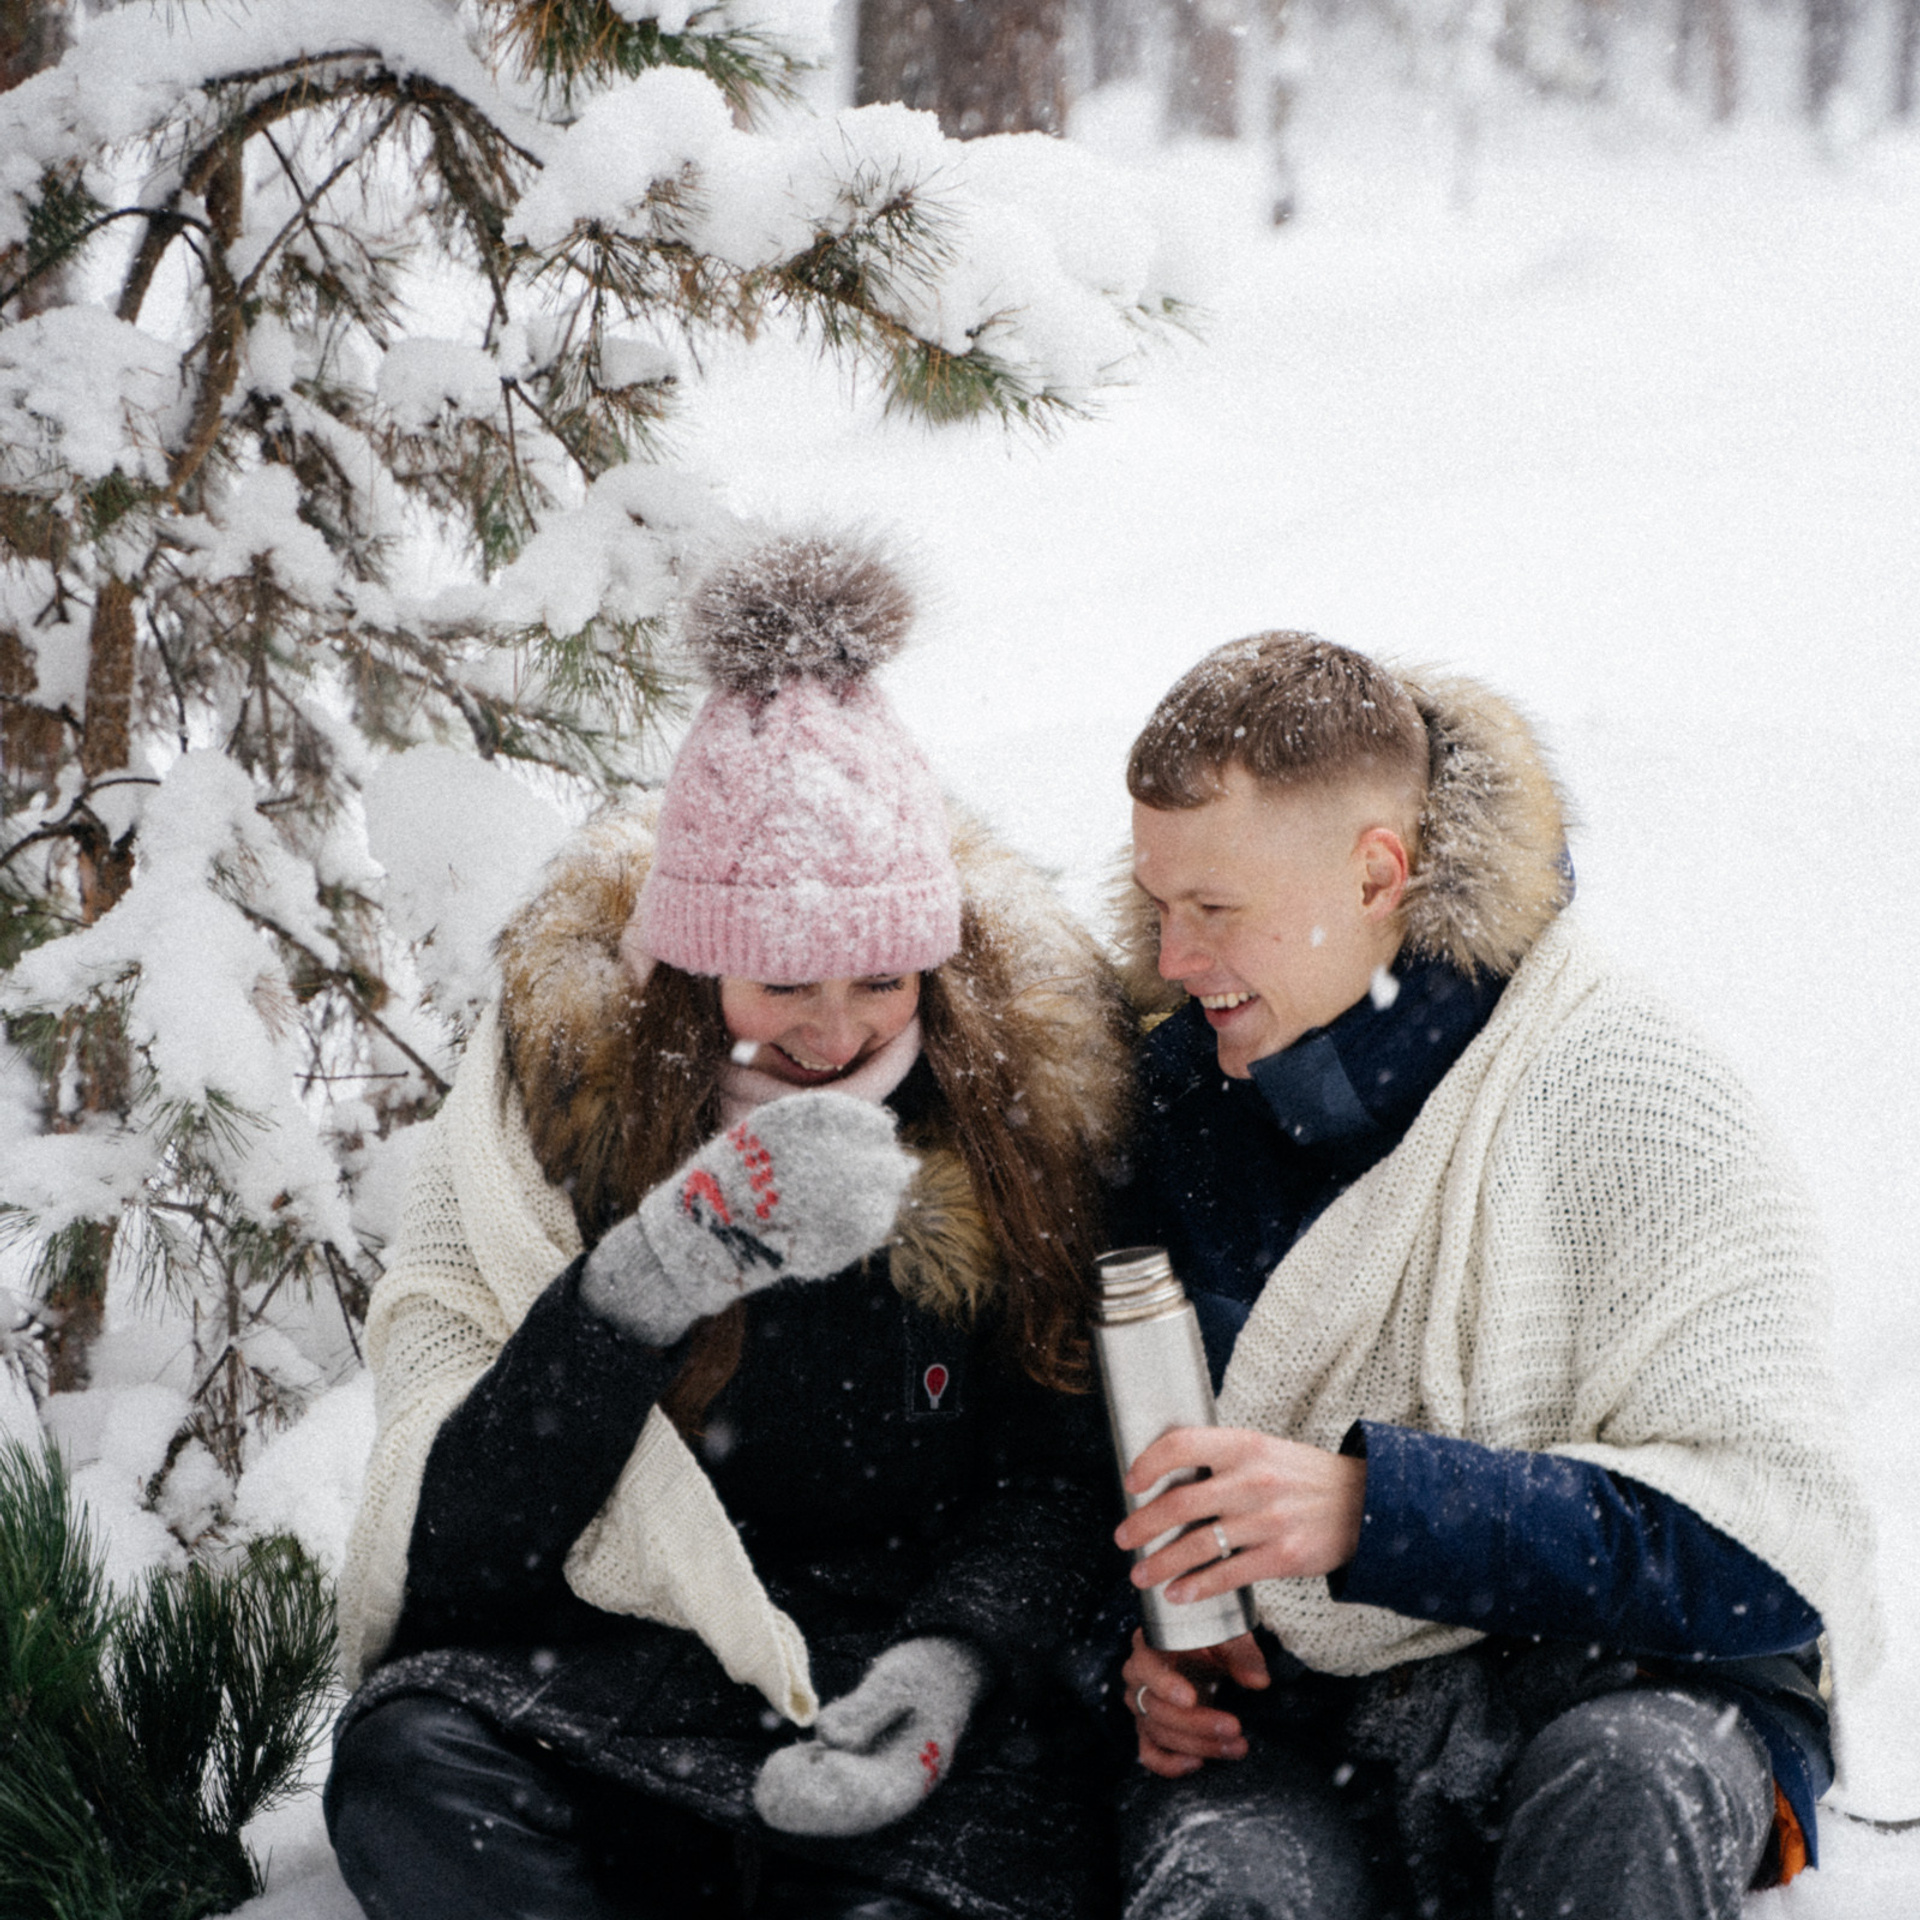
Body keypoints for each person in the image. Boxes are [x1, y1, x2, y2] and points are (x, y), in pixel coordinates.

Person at [325, 535, 1131, 1920]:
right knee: (411, 1770)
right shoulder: (567, 1118)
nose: (833, 1032)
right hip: (631, 1666)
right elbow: (462, 1559)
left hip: (903, 1689)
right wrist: (649, 1278)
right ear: (695, 966)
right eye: (783, 983)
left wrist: (951, 1664)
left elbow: (1064, 1474)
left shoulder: (1015, 1115)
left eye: (881, 978)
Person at [1108, 632, 1880, 1920]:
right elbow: (1057, 1471)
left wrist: (1383, 1511)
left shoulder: (1632, 1094)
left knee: (1625, 1791)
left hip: (1638, 1686)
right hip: (1300, 1718)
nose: (1174, 959)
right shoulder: (1173, 1108)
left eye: (1216, 910)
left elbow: (1774, 1554)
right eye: (1157, 906)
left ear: (1378, 873)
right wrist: (1128, 1661)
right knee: (1229, 1889)